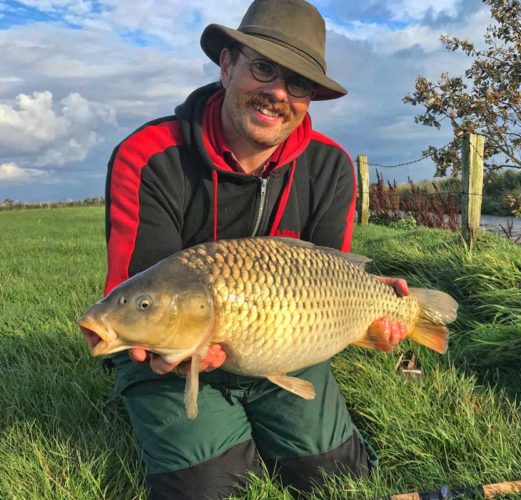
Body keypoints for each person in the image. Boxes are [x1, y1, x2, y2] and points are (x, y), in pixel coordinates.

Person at [100, 0, 409, 498]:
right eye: (263, 68)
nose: (277, 94)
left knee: (336, 480)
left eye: (299, 82)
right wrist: (161, 351)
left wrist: (373, 318)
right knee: (210, 487)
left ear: (311, 98)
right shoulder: (150, 156)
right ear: (226, 66)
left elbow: (335, 281)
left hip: (287, 341)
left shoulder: (331, 167)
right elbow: (143, 293)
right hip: (182, 348)